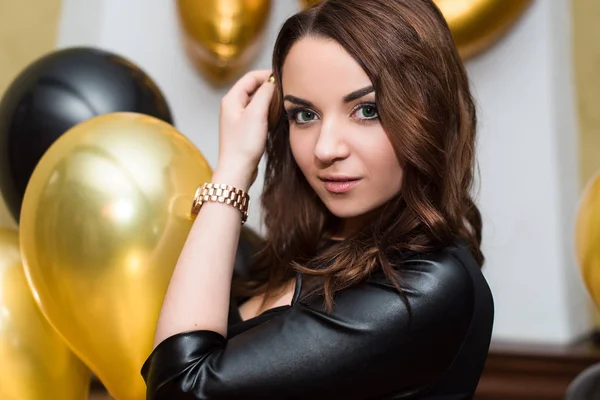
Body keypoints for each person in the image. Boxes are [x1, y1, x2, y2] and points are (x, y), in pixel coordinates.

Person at [141, 0, 494, 398]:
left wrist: (233, 171)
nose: (325, 149)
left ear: (429, 113)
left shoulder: (425, 285)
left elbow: (181, 390)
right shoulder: (297, 251)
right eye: (304, 115)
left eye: (367, 110)